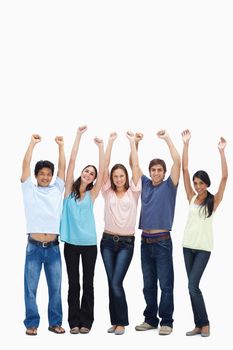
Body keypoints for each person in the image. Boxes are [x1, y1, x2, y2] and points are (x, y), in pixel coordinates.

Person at [181, 129, 228, 337]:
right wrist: (186, 144)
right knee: (191, 288)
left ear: (207, 184)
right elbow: (184, 169)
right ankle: (198, 325)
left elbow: (225, 177)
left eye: (201, 183)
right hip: (187, 247)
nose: (197, 186)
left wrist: (221, 152)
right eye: (195, 183)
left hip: (203, 249)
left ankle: (205, 323)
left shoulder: (213, 200)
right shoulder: (191, 197)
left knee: (193, 285)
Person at [135, 130, 181, 336]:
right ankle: (150, 320)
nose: (155, 173)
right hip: (145, 242)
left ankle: (167, 321)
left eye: (159, 170)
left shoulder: (169, 186)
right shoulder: (144, 183)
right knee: (148, 285)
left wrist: (167, 139)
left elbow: (177, 162)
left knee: (166, 284)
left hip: (162, 241)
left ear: (163, 172)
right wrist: (134, 143)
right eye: (153, 170)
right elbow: (133, 165)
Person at [60, 125, 104, 335]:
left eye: (92, 173)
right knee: (73, 283)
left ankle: (86, 321)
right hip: (70, 244)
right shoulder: (68, 190)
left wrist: (101, 147)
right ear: (82, 173)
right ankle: (74, 322)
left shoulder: (92, 195)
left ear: (94, 179)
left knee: (88, 283)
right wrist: (78, 135)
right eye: (87, 171)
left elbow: (104, 170)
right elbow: (72, 160)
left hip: (89, 245)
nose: (88, 174)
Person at [21, 134, 66, 336]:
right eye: (42, 174)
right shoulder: (29, 190)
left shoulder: (57, 189)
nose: (45, 177)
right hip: (34, 247)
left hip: (54, 247)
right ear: (36, 175)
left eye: (49, 174)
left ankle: (55, 322)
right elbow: (25, 165)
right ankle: (32, 323)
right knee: (30, 288)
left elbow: (63, 169)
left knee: (55, 289)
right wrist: (32, 143)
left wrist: (61, 147)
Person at [100, 131, 141, 335]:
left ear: (126, 177)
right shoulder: (106, 191)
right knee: (111, 282)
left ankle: (122, 322)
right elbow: (103, 166)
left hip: (126, 243)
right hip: (107, 241)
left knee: (116, 281)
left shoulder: (134, 191)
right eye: (115, 176)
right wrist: (110, 142)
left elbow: (135, 167)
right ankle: (115, 321)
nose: (117, 179)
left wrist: (132, 143)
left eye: (121, 176)